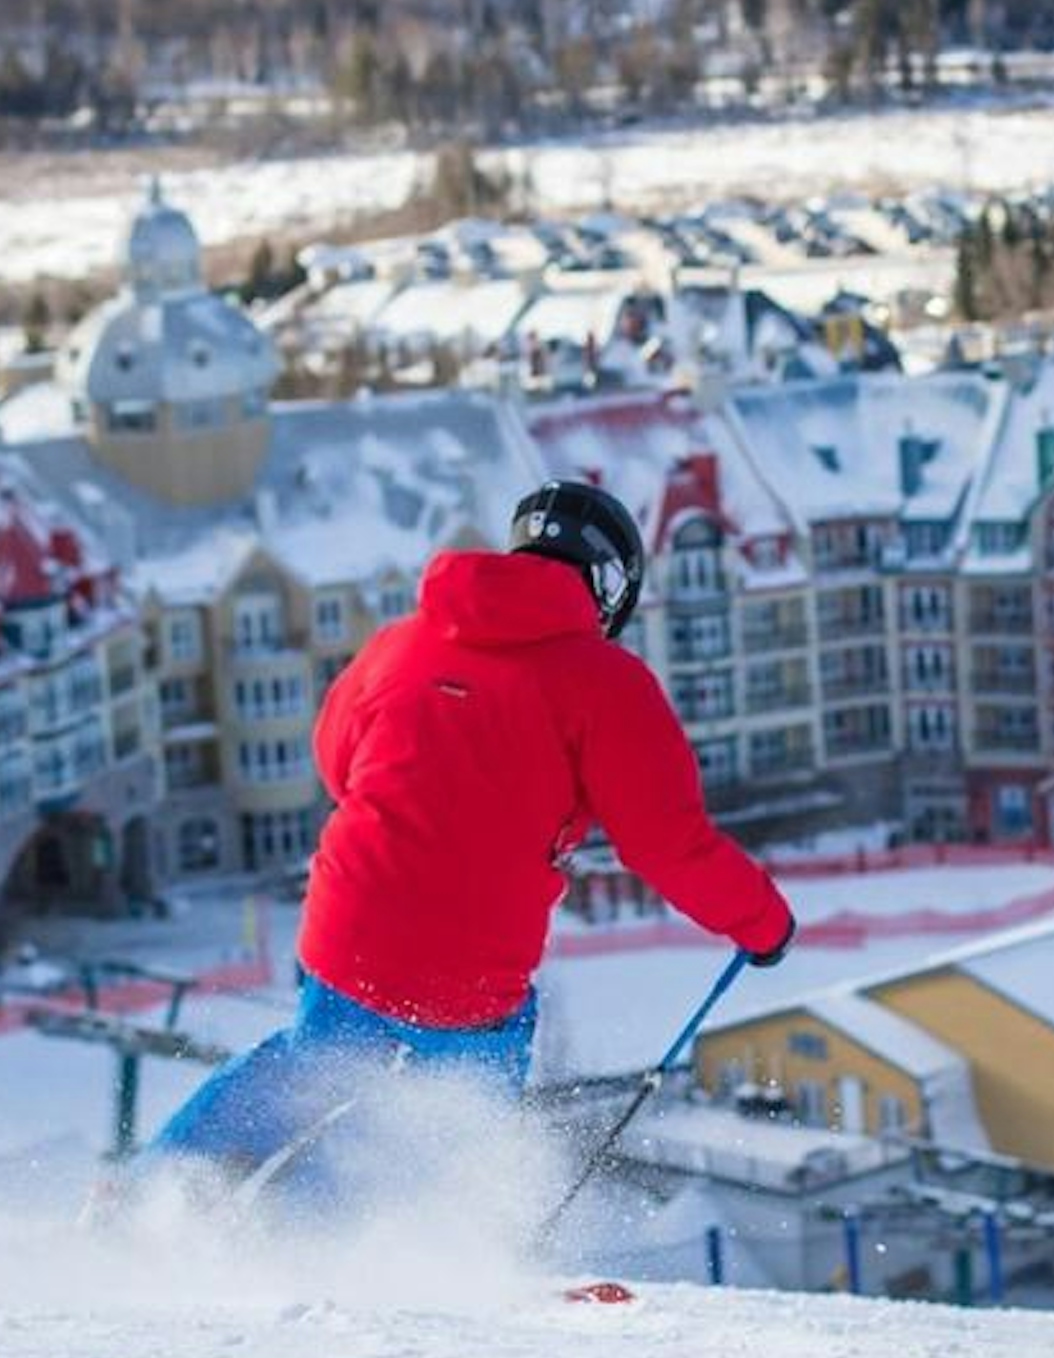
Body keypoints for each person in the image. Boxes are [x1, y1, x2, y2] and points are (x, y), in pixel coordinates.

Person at [143, 481, 797, 1184]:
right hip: (470, 969)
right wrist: (763, 922)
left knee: (308, 1063)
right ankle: (334, 1247)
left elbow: (337, 761)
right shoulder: (608, 683)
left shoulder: (401, 641)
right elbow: (666, 843)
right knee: (450, 1126)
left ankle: (156, 1188)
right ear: (609, 585)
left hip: (349, 924)